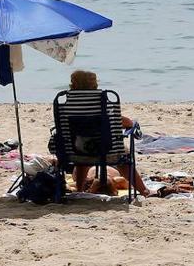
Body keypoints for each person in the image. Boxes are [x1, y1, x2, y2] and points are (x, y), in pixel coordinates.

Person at [65, 69, 151, 197]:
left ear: (72, 84)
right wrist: (132, 124)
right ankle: (143, 190)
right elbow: (121, 121)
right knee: (122, 156)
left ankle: (79, 189)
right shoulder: (101, 101)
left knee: (82, 153)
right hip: (108, 151)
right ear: (94, 85)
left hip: (77, 151)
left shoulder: (67, 104)